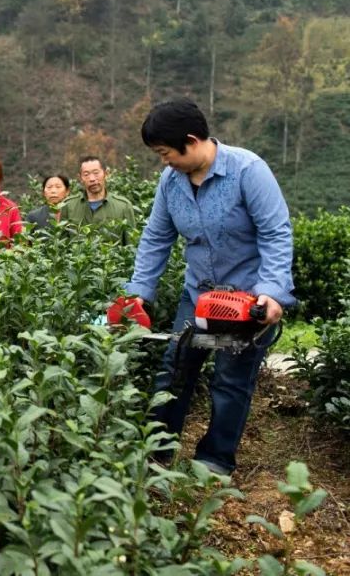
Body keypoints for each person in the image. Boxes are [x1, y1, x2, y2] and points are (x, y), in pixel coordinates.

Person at [123, 100, 295, 476]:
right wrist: (139, 292)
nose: (163, 162)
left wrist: (273, 291)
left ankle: (214, 462)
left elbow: (275, 232)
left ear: (190, 140)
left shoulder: (248, 170)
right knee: (175, 369)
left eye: (165, 153)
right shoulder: (171, 182)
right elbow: (156, 238)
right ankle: (157, 453)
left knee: (231, 380)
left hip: (246, 298)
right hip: (198, 297)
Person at [58, 156, 136, 229]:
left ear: (106, 174)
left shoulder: (123, 206)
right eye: (86, 174)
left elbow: (130, 242)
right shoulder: (68, 206)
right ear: (80, 178)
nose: (92, 179)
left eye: (96, 173)